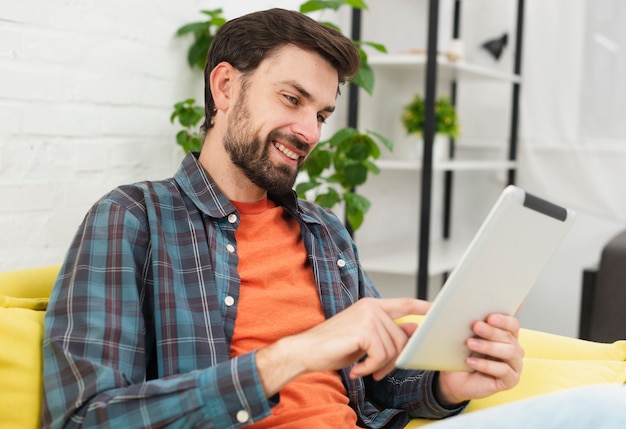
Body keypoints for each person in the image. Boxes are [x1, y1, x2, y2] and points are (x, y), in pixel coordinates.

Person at [42, 8, 524, 428]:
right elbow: (86, 417)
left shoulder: (325, 231)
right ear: (226, 87)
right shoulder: (133, 219)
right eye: (292, 100)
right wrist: (292, 355)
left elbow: (382, 379)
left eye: (322, 114)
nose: (309, 131)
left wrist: (446, 385)